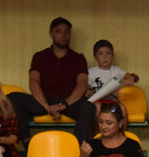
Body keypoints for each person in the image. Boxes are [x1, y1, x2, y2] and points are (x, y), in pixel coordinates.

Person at [8, 17, 97, 145]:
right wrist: (47, 106)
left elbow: (82, 85)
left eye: (66, 32)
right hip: (43, 101)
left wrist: (64, 105)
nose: (63, 35)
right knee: (12, 98)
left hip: (69, 102)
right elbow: (33, 82)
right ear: (51, 34)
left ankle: (77, 148)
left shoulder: (78, 58)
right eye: (58, 31)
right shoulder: (39, 56)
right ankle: (27, 143)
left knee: (88, 108)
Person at [86, 39, 139, 127]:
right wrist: (88, 92)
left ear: (113, 56)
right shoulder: (91, 72)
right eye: (101, 54)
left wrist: (131, 77)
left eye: (108, 53)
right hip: (98, 101)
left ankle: (123, 133)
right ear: (95, 57)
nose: (105, 57)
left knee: (122, 108)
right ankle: (97, 133)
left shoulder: (116, 70)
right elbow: (86, 88)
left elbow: (133, 77)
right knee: (97, 107)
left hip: (112, 101)